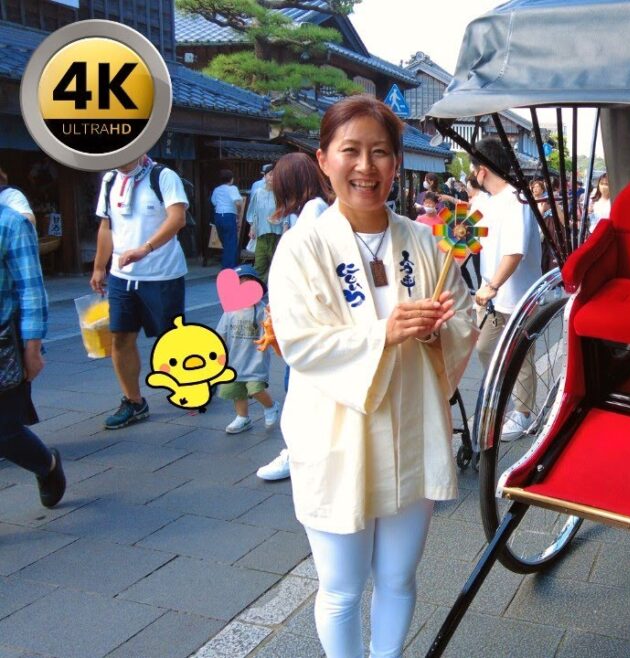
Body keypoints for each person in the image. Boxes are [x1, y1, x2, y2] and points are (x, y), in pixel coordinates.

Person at [268, 94, 477, 657]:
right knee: (341, 588)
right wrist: (382, 333)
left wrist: (434, 332)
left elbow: (462, 318)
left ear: (397, 162)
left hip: (413, 428)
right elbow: (300, 341)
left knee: (399, 578)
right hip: (337, 437)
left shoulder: (425, 242)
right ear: (323, 159)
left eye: (380, 152)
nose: (366, 166)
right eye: (351, 151)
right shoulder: (302, 247)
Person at [92, 155, 188, 430]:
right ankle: (134, 402)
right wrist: (99, 267)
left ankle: (195, 378)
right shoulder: (110, 179)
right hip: (121, 275)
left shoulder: (163, 176)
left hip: (162, 273)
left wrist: (145, 249)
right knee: (120, 337)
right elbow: (106, 226)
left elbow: (178, 218)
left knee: (170, 338)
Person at [253, 151, 333, 482]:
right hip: (310, 318)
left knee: (299, 387)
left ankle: (298, 454)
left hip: (308, 321)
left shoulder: (313, 212)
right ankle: (304, 452)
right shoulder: (315, 210)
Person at [471, 137, 543, 439]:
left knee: (520, 355)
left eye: (474, 169)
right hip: (492, 298)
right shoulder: (488, 202)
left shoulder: (517, 199)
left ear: (482, 170)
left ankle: (524, 414)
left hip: (517, 295)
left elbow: (515, 251)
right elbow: (472, 239)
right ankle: (505, 400)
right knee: (485, 348)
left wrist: (493, 285)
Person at [0, 203, 63, 507]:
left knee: (5, 432)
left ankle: (47, 465)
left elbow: (31, 290)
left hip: (4, 344)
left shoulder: (11, 223)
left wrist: (33, 347)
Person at [217, 265, 281, 434]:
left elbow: (272, 330)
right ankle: (242, 417)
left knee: (256, 388)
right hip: (234, 361)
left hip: (255, 360)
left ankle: (271, 406)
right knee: (236, 392)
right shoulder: (230, 311)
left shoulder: (262, 310)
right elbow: (221, 333)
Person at [245, 166, 284, 282]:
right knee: (259, 265)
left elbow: (285, 213)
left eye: (276, 175)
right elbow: (253, 212)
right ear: (265, 176)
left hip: (276, 234)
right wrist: (252, 227)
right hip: (261, 234)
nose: (273, 177)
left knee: (276, 266)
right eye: (270, 174)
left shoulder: (280, 194)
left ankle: (274, 289)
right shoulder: (258, 193)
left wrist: (278, 220)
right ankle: (258, 289)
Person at [210, 169, 244, 269]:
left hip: (218, 216)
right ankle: (229, 268)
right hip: (229, 216)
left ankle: (226, 266)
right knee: (231, 243)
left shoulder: (216, 190)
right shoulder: (232, 188)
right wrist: (238, 213)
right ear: (231, 179)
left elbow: (214, 202)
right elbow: (238, 203)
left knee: (225, 242)